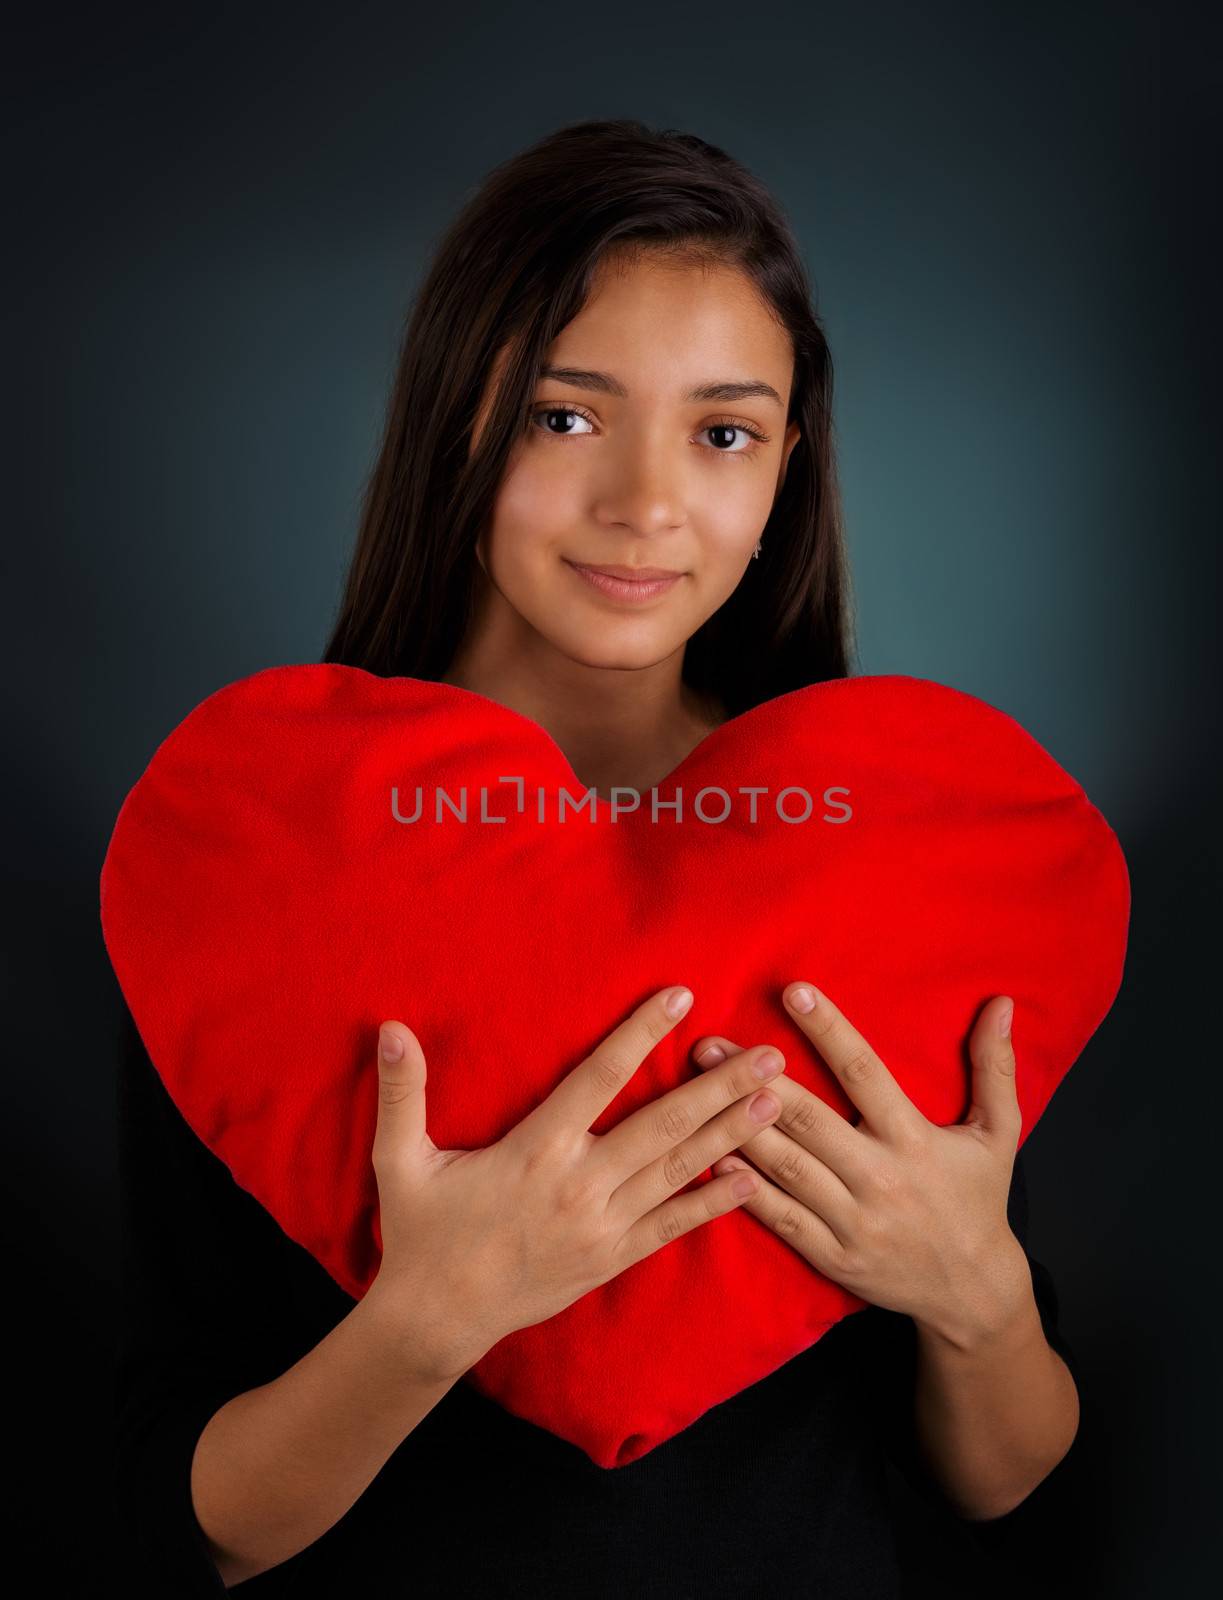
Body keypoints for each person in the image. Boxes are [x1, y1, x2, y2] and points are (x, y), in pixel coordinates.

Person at [113, 118, 1081, 1596]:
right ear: (461, 421)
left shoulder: (900, 864)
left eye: (723, 432)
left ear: (783, 472)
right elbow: (203, 1531)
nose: (645, 503)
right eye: (567, 417)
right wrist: (431, 1316)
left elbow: (1004, 1481)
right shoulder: (263, 856)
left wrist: (980, 1297)